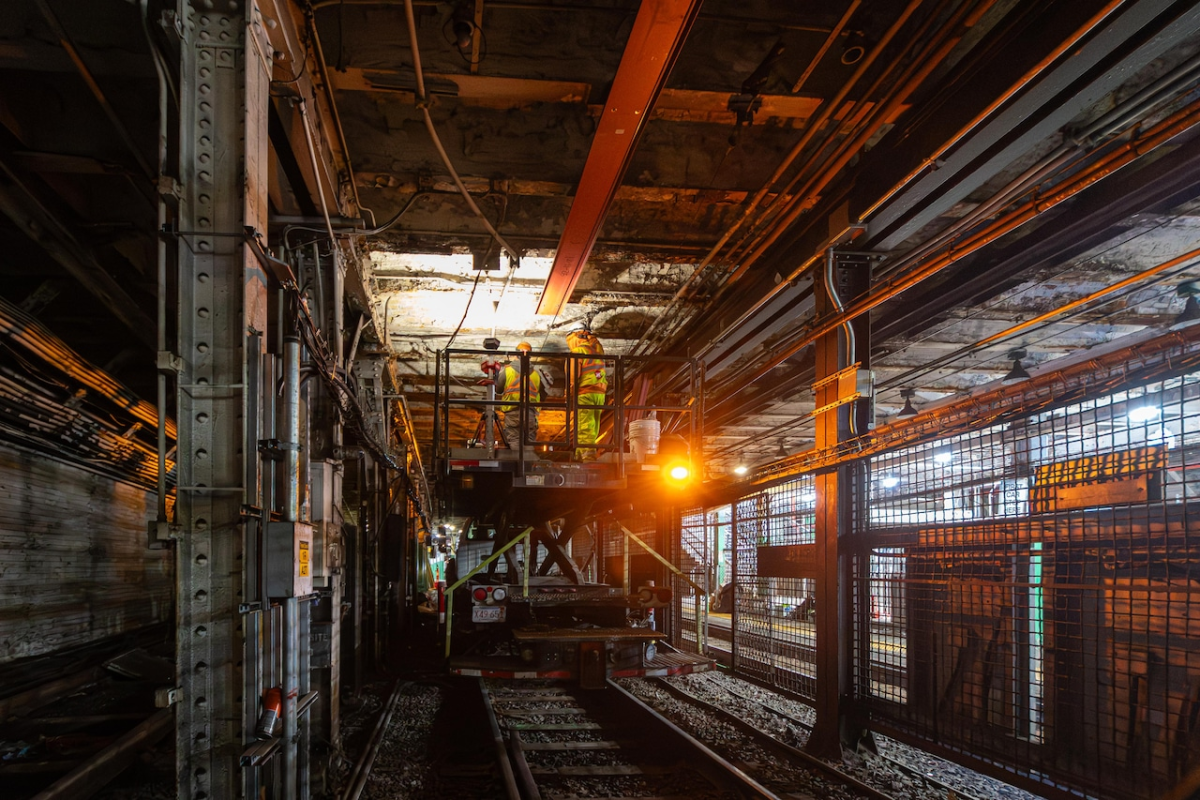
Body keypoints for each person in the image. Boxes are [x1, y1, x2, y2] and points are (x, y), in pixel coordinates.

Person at [565, 322, 607, 460]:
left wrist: (569, 394)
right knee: (593, 426)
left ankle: (587, 458)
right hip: (599, 394)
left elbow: (573, 376)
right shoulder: (597, 351)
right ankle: (579, 455)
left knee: (584, 425)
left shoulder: (577, 352)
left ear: (574, 336)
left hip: (585, 392)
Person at [499, 341, 541, 448]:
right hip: (529, 412)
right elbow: (539, 394)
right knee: (529, 439)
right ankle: (527, 464)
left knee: (514, 438)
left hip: (513, 411)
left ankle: (517, 464)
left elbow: (498, 389)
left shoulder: (507, 371)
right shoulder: (536, 375)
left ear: (516, 355)